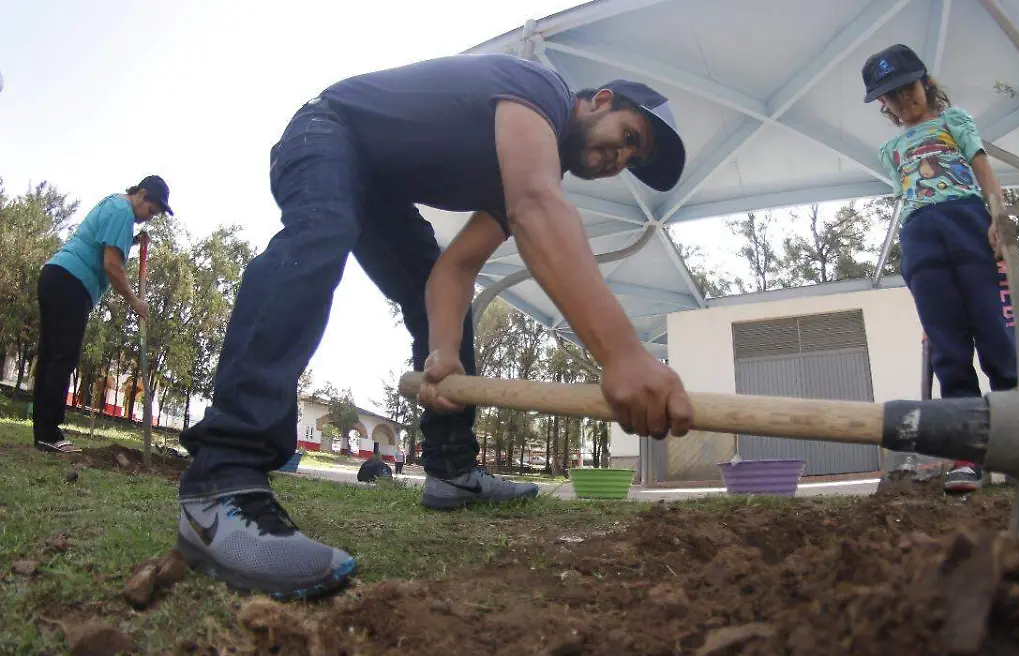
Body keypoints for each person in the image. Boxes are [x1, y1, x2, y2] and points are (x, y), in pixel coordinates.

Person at [175, 53, 696, 600]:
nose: (624, 155)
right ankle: (221, 482)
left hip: (379, 186)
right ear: (602, 100)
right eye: (630, 134)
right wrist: (623, 354)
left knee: (432, 281)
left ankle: (452, 471)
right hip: (328, 131)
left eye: (634, 157)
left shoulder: (529, 164)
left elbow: (455, 269)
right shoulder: (542, 89)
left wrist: (442, 353)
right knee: (321, 230)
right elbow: (537, 209)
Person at [862, 44, 1017, 494]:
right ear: (883, 104)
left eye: (908, 88)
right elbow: (907, 195)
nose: (903, 100)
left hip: (968, 222)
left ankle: (1014, 447)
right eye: (891, 96)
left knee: (994, 334)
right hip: (920, 237)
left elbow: (983, 170)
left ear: (924, 82)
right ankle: (968, 456)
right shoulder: (890, 150)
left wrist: (998, 218)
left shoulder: (955, 121)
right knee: (948, 348)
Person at [32, 176, 172, 453]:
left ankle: (42, 433)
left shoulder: (114, 203)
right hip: (72, 283)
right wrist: (134, 300)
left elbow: (102, 242)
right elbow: (111, 265)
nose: (149, 218)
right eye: (151, 211)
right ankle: (49, 432)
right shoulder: (123, 212)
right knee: (63, 357)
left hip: (54, 275)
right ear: (141, 195)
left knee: (51, 356)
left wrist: (132, 242)